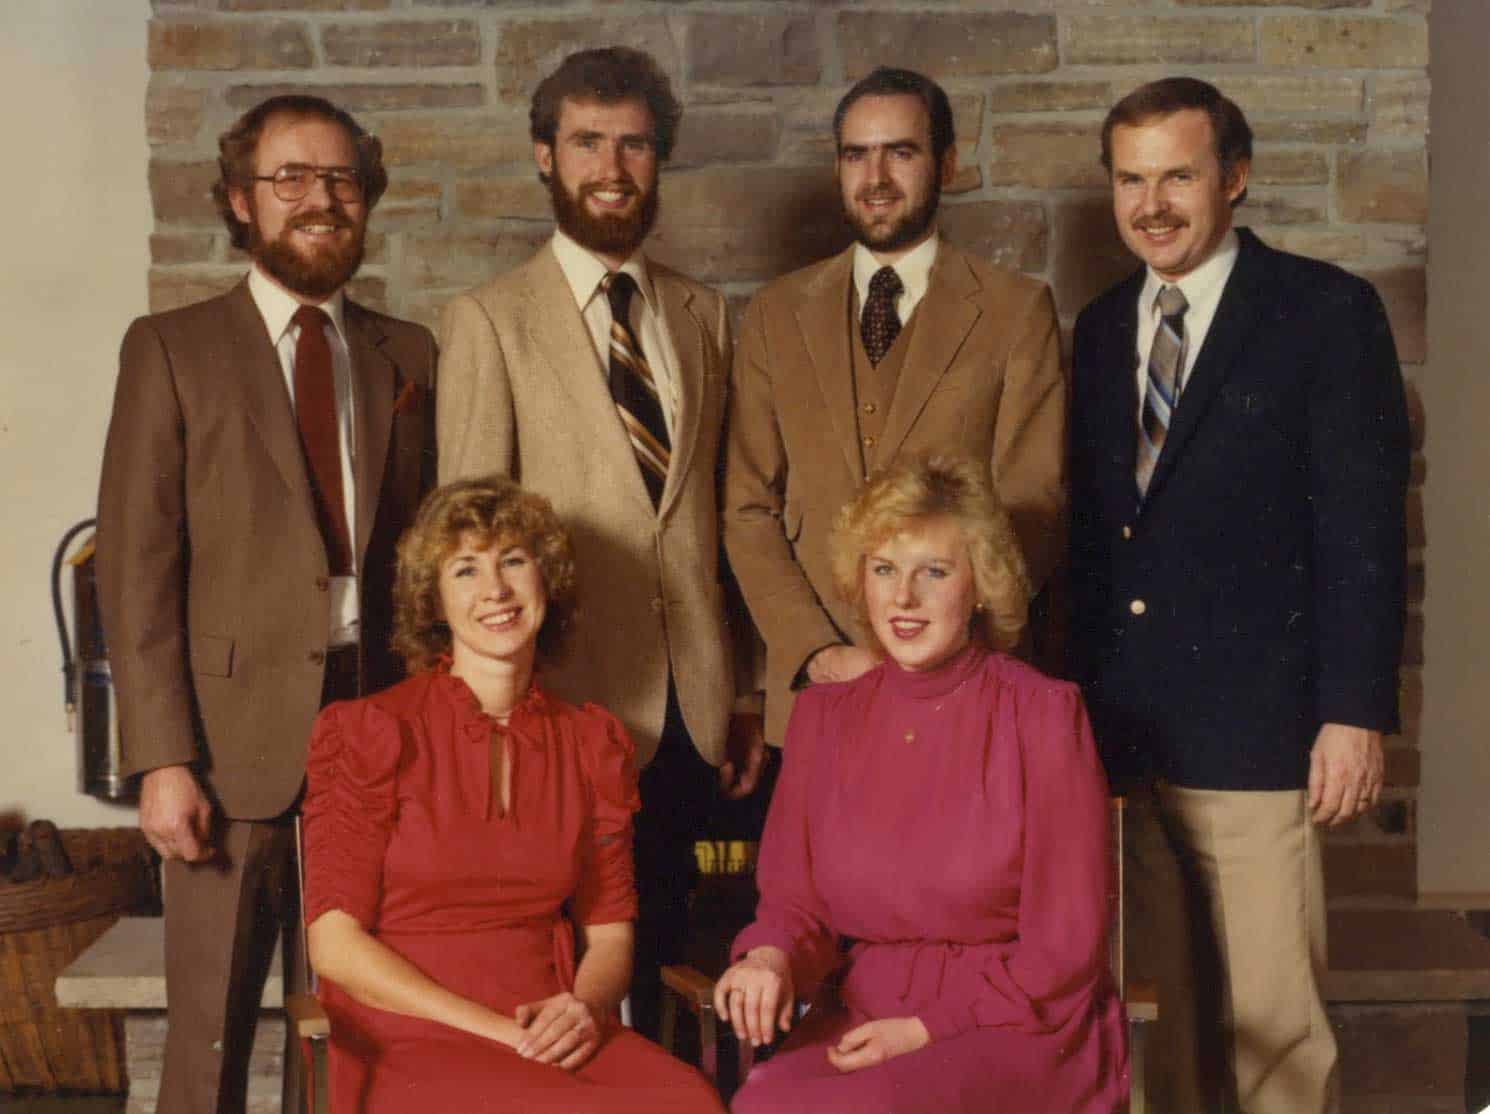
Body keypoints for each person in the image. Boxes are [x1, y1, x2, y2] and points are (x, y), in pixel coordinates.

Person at [1070, 77, 1410, 1114]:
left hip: (1263, 740)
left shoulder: (1323, 312)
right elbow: (1093, 542)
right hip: (1126, 741)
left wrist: (1352, 712)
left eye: (1177, 176)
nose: (1151, 205)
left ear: (1235, 178)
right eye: (1130, 180)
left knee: (1273, 1030)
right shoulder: (1100, 327)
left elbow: (1362, 529)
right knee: (1162, 1030)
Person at [96, 95, 435, 1114]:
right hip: (223, 746)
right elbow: (136, 566)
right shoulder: (172, 348)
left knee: (355, 1032)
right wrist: (162, 758)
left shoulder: (409, 353)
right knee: (211, 1043)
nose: (318, 199)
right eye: (290, 178)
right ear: (241, 201)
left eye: (340, 179)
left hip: (376, 734)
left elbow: (426, 562)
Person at [437, 45, 763, 1038]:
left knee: (670, 957)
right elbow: (465, 543)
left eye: (633, 145)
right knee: (561, 972)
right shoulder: (489, 320)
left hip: (691, 707)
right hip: (556, 703)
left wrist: (743, 690)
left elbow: (723, 521)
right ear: (545, 155)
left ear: (658, 159)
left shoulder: (702, 314)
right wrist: (485, 715)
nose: (611, 169)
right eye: (586, 143)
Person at [714, 456, 1127, 1114]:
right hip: (862, 1009)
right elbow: (795, 906)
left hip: (1015, 1018)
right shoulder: (823, 717)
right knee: (763, 1104)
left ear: (982, 585)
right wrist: (769, 958)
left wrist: (922, 1030)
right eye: (884, 569)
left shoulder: (1043, 714)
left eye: (933, 572)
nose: (903, 598)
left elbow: (1065, 948)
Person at [300, 475, 725, 1112]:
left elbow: (609, 934)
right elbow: (334, 945)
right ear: (433, 601)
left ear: (546, 580)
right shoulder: (373, 731)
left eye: (514, 561)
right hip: (406, 1033)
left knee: (687, 1100)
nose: (496, 589)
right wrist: (500, 1033)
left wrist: (584, 1008)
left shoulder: (591, 743)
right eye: (466, 570)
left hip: (551, 1026)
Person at [724, 66, 1067, 754]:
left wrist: (941, 656)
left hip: (964, 693)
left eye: (900, 152)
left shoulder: (1015, 311)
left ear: (947, 164)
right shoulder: (775, 315)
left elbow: (1032, 508)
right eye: (856, 154)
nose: (875, 177)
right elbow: (747, 509)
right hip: (817, 695)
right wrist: (816, 650)